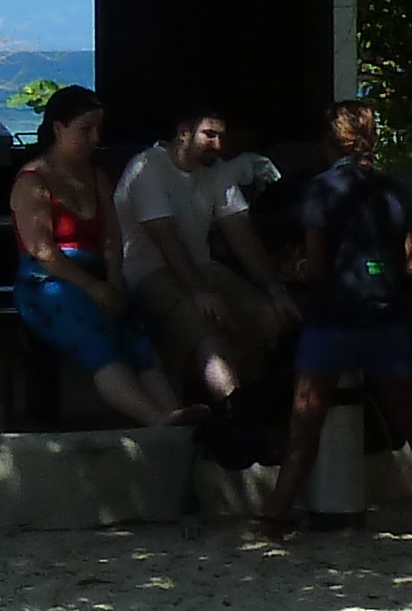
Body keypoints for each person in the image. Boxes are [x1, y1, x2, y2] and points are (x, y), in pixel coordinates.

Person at [266, 99, 412, 531]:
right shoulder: (394, 187)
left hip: (332, 319)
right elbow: (410, 262)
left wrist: (299, 269)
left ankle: (274, 521)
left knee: (304, 427)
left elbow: (318, 266)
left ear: (328, 143)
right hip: (384, 317)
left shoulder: (321, 189)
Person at [9, 87, 184, 426]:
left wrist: (114, 281)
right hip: (51, 281)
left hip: (99, 276)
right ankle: (154, 417)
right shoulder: (33, 181)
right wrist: (93, 288)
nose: (94, 138)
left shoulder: (95, 175)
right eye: (84, 130)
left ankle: (174, 413)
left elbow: (111, 238)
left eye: (97, 129)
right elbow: (42, 250)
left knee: (136, 336)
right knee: (98, 337)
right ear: (59, 129)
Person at [115, 105, 300, 402]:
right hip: (149, 275)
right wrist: (199, 292)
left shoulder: (216, 170)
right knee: (206, 333)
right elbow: (165, 238)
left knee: (271, 319)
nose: (218, 145)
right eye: (209, 135)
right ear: (183, 133)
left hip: (203, 267)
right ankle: (233, 411)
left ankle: (253, 402)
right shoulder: (147, 167)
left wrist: (274, 288)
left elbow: (239, 231)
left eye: (221, 137)